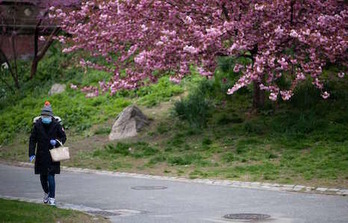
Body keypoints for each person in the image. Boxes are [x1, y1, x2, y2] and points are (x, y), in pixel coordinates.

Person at [29, 101, 66, 206]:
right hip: (41, 154)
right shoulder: (37, 125)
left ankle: (52, 198)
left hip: (53, 154)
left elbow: (63, 137)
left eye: (47, 115)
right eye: (43, 115)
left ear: (51, 116)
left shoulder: (56, 125)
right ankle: (46, 192)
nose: (45, 117)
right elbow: (32, 139)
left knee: (51, 176)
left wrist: (57, 142)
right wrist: (31, 153)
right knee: (43, 177)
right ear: (41, 116)